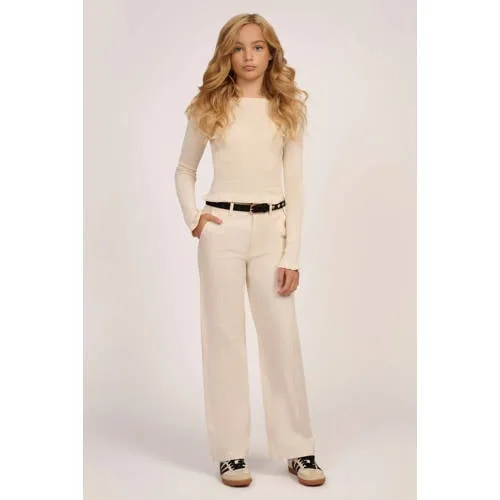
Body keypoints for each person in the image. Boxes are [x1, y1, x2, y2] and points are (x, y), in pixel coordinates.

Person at [174, 13, 326, 488]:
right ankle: (230, 453)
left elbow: (295, 186)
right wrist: (195, 217)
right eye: (238, 48)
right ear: (227, 54)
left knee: (281, 338)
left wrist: (291, 255)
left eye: (258, 47)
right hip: (223, 229)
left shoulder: (287, 108)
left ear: (271, 52)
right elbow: (184, 169)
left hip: (271, 231)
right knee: (224, 338)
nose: (248, 57)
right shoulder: (209, 106)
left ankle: (298, 448)